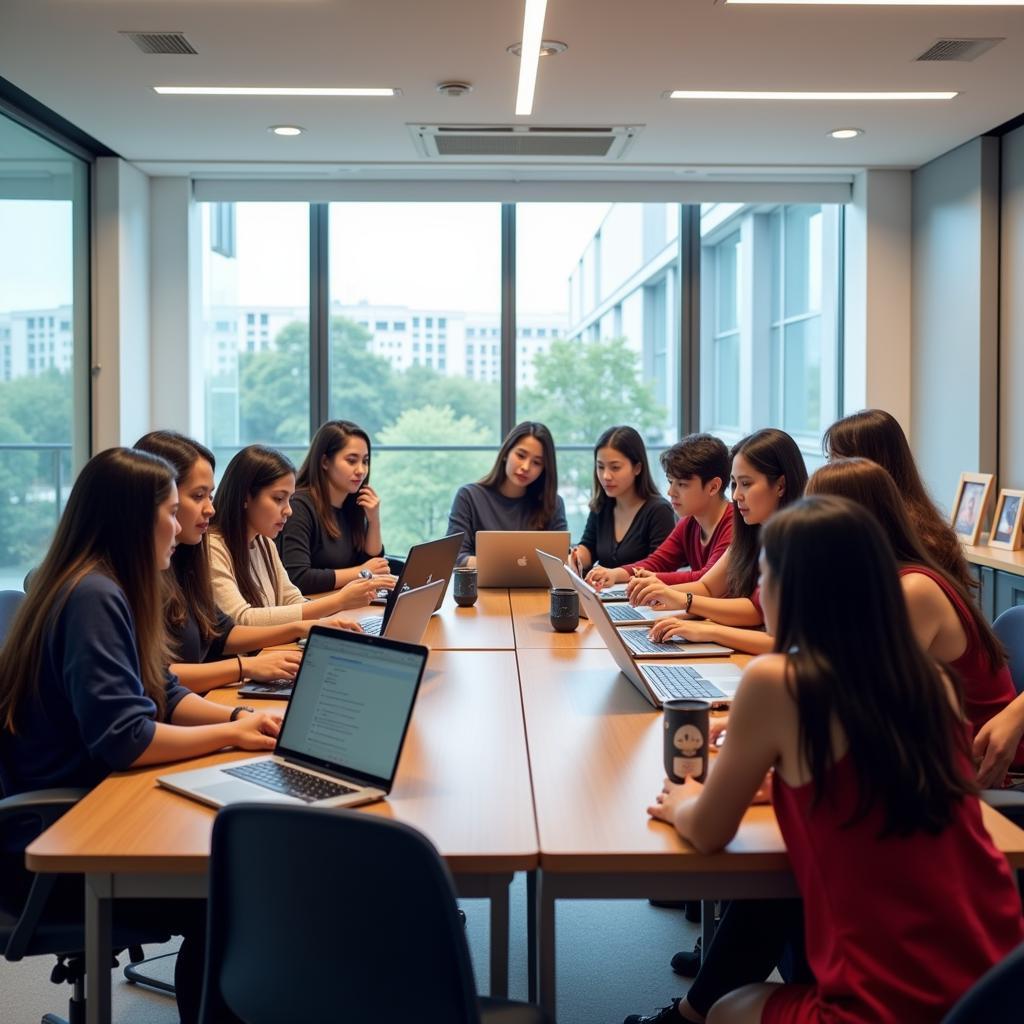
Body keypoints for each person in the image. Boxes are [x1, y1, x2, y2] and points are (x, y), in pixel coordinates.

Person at [645, 495, 1024, 1024]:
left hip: (891, 1003)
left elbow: (708, 832)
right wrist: (776, 782)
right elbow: (866, 778)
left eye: (765, 575)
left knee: (730, 1007)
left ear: (789, 587)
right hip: (997, 979)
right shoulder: (931, 681)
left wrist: (684, 800)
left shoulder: (777, 682)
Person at [0, 448, 285, 1024]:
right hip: (59, 845)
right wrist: (231, 741)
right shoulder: (92, 597)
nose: (181, 526)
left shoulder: (105, 586)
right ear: (135, 517)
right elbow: (126, 737)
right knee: (235, 885)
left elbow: (161, 691)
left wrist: (236, 722)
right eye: (170, 510)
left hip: (86, 811)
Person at [807, 458, 1024, 783]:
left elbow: (864, 702)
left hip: (968, 769)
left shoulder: (913, 590)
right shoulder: (880, 581)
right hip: (923, 756)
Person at [135, 431, 360, 694]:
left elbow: (224, 632)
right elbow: (157, 681)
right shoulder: (206, 548)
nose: (210, 508)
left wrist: (307, 626)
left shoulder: (191, 557)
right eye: (198, 496)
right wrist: (246, 668)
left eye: (210, 495)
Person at [628, 429, 808, 656]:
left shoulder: (799, 542)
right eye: (734, 484)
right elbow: (708, 586)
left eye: (746, 484)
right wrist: (665, 595)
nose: (736, 495)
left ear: (781, 485)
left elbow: (759, 615)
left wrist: (702, 623)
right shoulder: (752, 530)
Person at [208, 445, 391, 626]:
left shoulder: (264, 543)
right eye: (279, 499)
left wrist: (330, 622)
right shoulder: (213, 548)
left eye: (289, 499)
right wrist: (339, 601)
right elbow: (241, 620)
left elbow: (292, 599)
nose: (288, 510)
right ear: (245, 497)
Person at [823, 408, 975, 592]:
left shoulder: (913, 539)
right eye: (829, 460)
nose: (829, 471)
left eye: (837, 461)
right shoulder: (874, 526)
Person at [587, 433, 732, 591]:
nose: (671, 492)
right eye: (671, 482)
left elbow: (706, 579)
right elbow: (658, 562)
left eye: (682, 484)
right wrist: (615, 574)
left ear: (713, 487)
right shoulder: (689, 522)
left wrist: (653, 579)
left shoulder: (733, 525)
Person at [279, 420, 391, 595]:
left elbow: (373, 564)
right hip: (314, 610)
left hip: (349, 607)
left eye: (365, 461)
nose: (361, 470)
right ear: (325, 461)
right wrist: (361, 572)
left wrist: (374, 521)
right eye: (351, 461)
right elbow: (297, 578)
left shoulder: (352, 504)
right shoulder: (298, 506)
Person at [446, 421, 567, 567]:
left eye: (537, 463)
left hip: (536, 589)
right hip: (478, 588)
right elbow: (455, 558)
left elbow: (561, 560)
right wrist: (508, 566)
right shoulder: (468, 496)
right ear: (505, 453)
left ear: (544, 468)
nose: (526, 467)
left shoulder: (552, 503)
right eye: (521, 455)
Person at [570, 425, 674, 577]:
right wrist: (574, 558)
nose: (606, 476)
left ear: (637, 468)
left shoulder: (659, 511)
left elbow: (661, 566)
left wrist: (614, 575)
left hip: (641, 597)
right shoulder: (602, 505)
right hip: (605, 595)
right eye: (600, 467)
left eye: (615, 467)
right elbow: (589, 547)